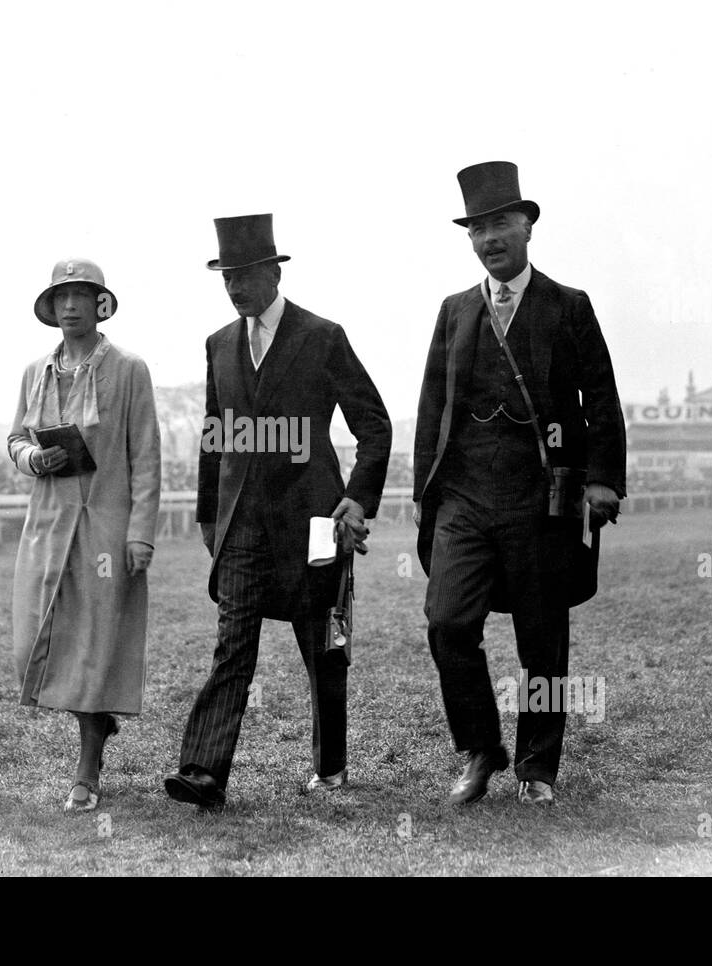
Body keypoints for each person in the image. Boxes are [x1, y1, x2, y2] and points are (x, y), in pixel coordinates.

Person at [414, 162, 625, 807]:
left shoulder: (568, 306)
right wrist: (426, 494)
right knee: (448, 622)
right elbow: (431, 409)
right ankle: (481, 749)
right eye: (477, 228)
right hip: (465, 499)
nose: (489, 239)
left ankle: (537, 768)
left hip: (541, 498)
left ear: (527, 226)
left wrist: (602, 481)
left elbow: (602, 401)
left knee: (542, 637)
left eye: (501, 223)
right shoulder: (454, 312)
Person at [165, 214, 391, 812]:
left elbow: (373, 423)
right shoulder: (218, 344)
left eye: (243, 275)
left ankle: (330, 767)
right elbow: (215, 437)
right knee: (232, 644)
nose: (235, 287)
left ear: (272, 272)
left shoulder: (322, 335)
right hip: (240, 526)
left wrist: (357, 498)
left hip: (314, 522)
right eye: (226, 277)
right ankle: (204, 772)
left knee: (323, 646)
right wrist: (209, 517)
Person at [8, 258, 161, 813]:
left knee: (95, 645)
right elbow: (15, 440)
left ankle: (87, 765)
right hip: (46, 528)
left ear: (100, 303)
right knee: (35, 643)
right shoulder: (35, 373)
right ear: (50, 307)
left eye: (82, 294)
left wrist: (140, 532)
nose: (70, 305)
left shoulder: (129, 369)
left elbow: (145, 454)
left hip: (105, 529)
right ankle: (95, 719)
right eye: (61, 296)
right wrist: (33, 457)